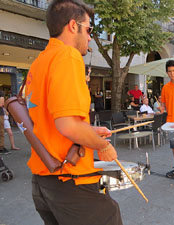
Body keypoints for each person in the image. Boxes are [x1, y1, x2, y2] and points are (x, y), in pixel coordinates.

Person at [24, 1, 122, 224]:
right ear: (72, 25)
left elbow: (48, 120)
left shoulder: (39, 62)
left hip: (43, 181)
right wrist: (103, 146)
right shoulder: (67, 56)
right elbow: (67, 126)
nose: (90, 37)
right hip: (69, 178)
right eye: (89, 30)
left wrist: (89, 131)